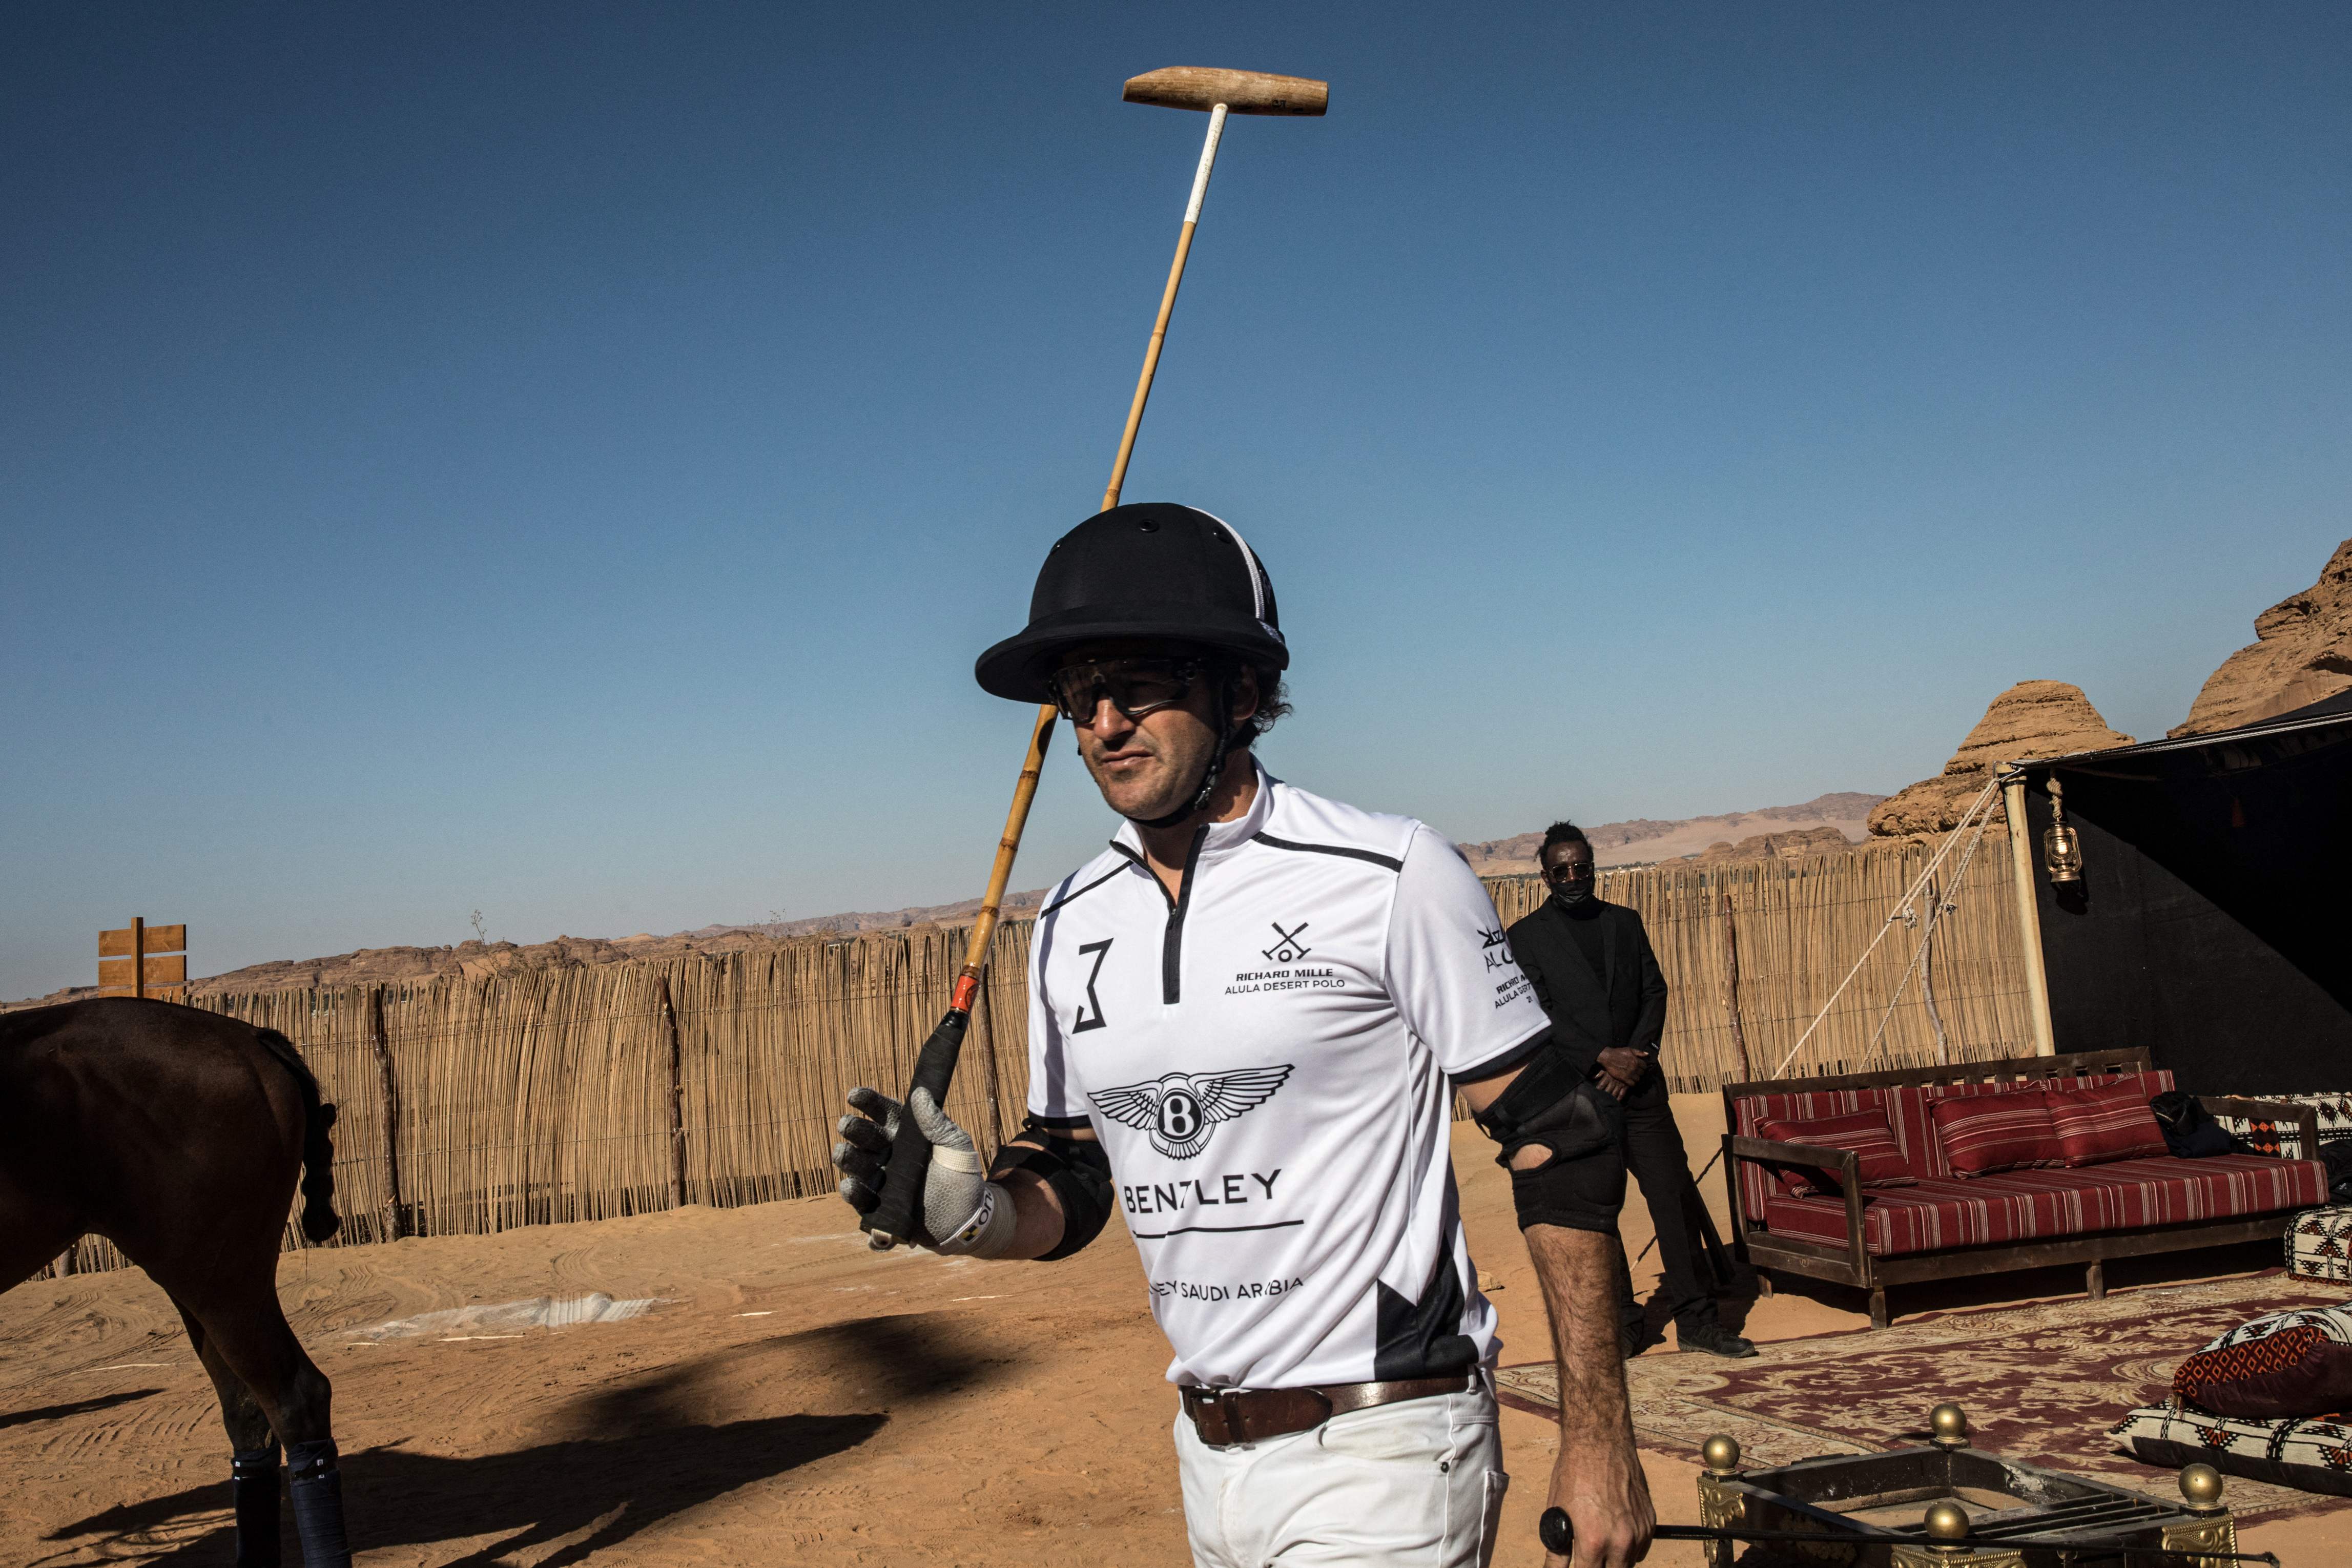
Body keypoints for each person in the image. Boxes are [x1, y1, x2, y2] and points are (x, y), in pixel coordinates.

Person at [833, 503, 1655, 1568]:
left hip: (1389, 1443)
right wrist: (976, 1217)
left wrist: (1600, 1438)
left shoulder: (1390, 876)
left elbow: (1563, 1138)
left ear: (1247, 693)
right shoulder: (1070, 922)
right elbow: (1075, 1177)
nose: (1105, 722)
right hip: (1207, 1456)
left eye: (1142, 683)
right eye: (1080, 696)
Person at [1505, 823, 1755, 1360]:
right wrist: (1600, 1058)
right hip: (1580, 1097)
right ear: (1546, 875)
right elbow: (1538, 1013)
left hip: (1640, 1089)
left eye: (1582, 867)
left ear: (1593, 868)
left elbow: (1653, 990)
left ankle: (1697, 1320)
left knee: (1672, 1200)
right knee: (1601, 1211)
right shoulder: (1526, 938)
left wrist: (1634, 1058)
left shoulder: (1625, 922)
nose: (1573, 877)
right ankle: (1622, 1323)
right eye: (1562, 870)